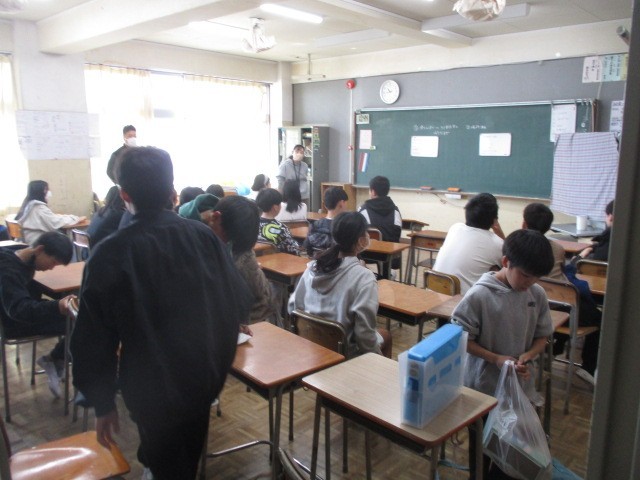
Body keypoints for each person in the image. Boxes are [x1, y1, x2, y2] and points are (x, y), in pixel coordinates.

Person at [71, 147, 250, 480]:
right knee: (185, 455)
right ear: (172, 191)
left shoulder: (110, 253)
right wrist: (217, 365)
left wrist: (102, 402)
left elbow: (93, 338)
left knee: (166, 457)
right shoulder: (203, 236)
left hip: (150, 385)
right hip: (202, 377)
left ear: (124, 194)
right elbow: (236, 300)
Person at [451, 229, 554, 480]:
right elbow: (462, 339)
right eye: (525, 275)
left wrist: (529, 355)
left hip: (517, 386)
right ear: (506, 262)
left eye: (536, 277)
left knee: (511, 446)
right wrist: (495, 358)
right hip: (482, 387)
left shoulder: (536, 294)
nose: (530, 282)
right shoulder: (480, 295)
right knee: (480, 447)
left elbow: (542, 337)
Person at [289, 212, 392, 358]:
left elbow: (294, 307)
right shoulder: (364, 278)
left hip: (312, 347)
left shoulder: (313, 267)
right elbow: (364, 335)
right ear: (361, 240)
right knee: (386, 335)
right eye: (366, 233)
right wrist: (375, 358)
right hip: (343, 353)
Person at [0, 232, 76, 398]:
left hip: (23, 313)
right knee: (80, 322)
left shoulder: (22, 256)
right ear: (40, 250)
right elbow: (19, 310)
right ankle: (55, 359)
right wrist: (57, 306)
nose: (52, 268)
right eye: (53, 262)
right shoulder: (8, 270)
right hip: (14, 324)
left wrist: (65, 297)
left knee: (78, 313)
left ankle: (56, 358)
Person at [208, 196, 278, 324]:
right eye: (226, 238)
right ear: (215, 217)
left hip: (241, 321)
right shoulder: (197, 242)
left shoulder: (243, 256)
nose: (226, 244)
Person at [433, 192, 505, 294]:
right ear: (494, 220)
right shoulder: (497, 243)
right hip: (462, 300)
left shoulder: (455, 228)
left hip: (433, 291)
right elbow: (508, 263)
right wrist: (498, 230)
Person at [15, 180, 86, 246]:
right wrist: (76, 219)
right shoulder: (39, 208)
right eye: (47, 190)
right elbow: (55, 222)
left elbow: (52, 218)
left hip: (29, 240)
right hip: (37, 243)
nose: (49, 192)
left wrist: (69, 217)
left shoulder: (28, 206)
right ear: (40, 191)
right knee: (66, 241)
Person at [358, 176, 402, 278]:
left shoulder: (363, 210)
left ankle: (366, 274)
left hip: (367, 254)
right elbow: (397, 235)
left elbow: (357, 232)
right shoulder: (395, 211)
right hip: (390, 255)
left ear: (373, 192)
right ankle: (387, 275)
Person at [522, 202, 567, 281]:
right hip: (557, 287)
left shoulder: (517, 246)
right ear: (549, 227)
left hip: (529, 287)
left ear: (524, 224)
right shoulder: (559, 248)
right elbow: (563, 268)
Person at [304, 186, 348, 257]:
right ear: (342, 203)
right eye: (346, 202)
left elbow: (308, 248)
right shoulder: (347, 227)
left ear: (325, 204)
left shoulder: (314, 225)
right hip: (340, 262)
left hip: (318, 261)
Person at [256, 188, 299, 255]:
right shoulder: (281, 228)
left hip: (257, 260)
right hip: (278, 260)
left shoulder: (252, 224)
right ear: (275, 207)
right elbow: (293, 250)